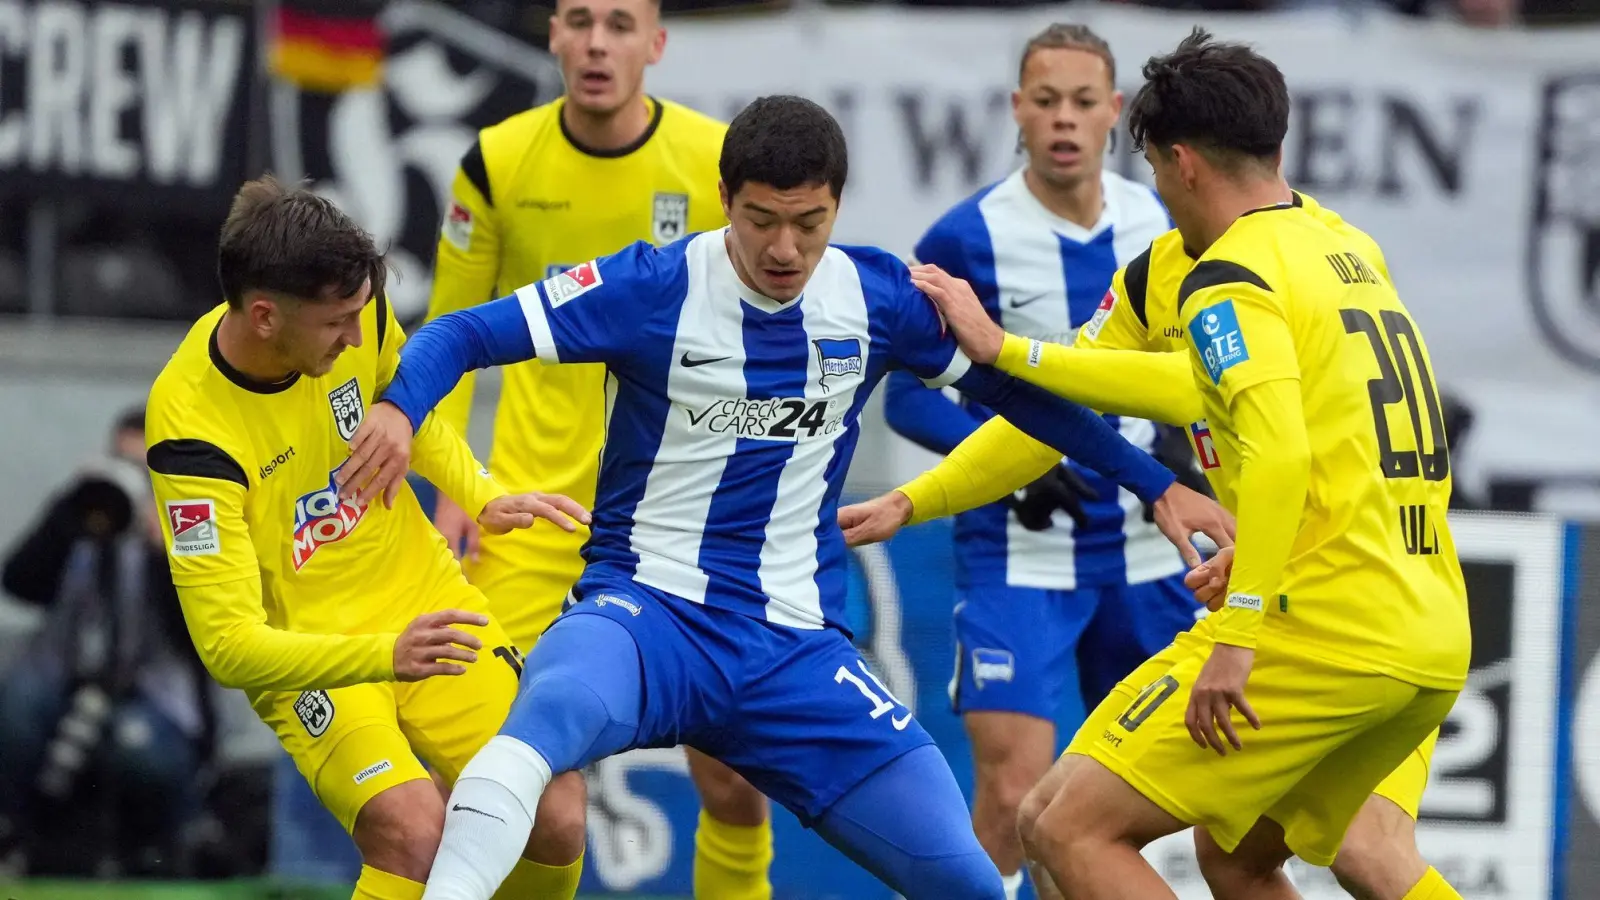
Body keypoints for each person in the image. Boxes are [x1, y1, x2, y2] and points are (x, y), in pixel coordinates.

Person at [338, 95, 1232, 900]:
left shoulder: (878, 296)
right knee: (534, 736)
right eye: (762, 220)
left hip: (795, 652)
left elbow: (1024, 404)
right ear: (725, 198)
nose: (783, 249)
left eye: (808, 223)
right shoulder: (651, 287)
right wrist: (397, 407)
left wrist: (1156, 485)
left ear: (836, 206)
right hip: (649, 614)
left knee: (967, 876)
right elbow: (459, 331)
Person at [856, 30, 1470, 900]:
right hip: (1426, 613)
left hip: (1320, 622)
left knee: (1061, 825)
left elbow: (1278, 448)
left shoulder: (1229, 280)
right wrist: (920, 499)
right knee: (1251, 855)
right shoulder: (1343, 248)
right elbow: (1086, 410)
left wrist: (1247, 619)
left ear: (1177, 161)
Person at [144, 176, 591, 900]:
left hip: (426, 602)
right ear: (263, 316)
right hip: (316, 654)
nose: (358, 335)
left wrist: (482, 493)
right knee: (412, 830)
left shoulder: (353, 305)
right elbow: (228, 646)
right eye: (337, 324)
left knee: (556, 809)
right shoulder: (193, 435)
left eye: (362, 315)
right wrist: (386, 656)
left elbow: (404, 418)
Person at [423, 0, 774, 892]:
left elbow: (774, 324)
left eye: (619, 24)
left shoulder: (713, 161)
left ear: (656, 43)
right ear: (551, 35)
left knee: (735, 781)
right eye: (579, 21)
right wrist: (454, 490)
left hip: (681, 518)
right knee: (499, 780)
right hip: (531, 516)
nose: (596, 43)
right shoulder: (496, 161)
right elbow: (449, 336)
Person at [881, 25, 1201, 899]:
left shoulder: (1161, 225)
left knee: (1140, 812)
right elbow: (906, 396)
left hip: (1148, 555)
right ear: (1017, 109)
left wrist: (1180, 439)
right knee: (1014, 796)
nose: (1064, 119)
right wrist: (1015, 460)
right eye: (1046, 100)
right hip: (1019, 559)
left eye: (1082, 102)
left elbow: (1193, 364)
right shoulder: (966, 235)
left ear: (1116, 115)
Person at [0, 407, 212, 876]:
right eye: (120, 461)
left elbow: (205, 635)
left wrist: (171, 553)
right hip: (64, 677)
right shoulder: (78, 519)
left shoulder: (188, 524)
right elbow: (18, 583)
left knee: (137, 749)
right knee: (17, 708)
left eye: (142, 470)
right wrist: (64, 512)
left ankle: (162, 854)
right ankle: (16, 841)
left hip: (151, 693)